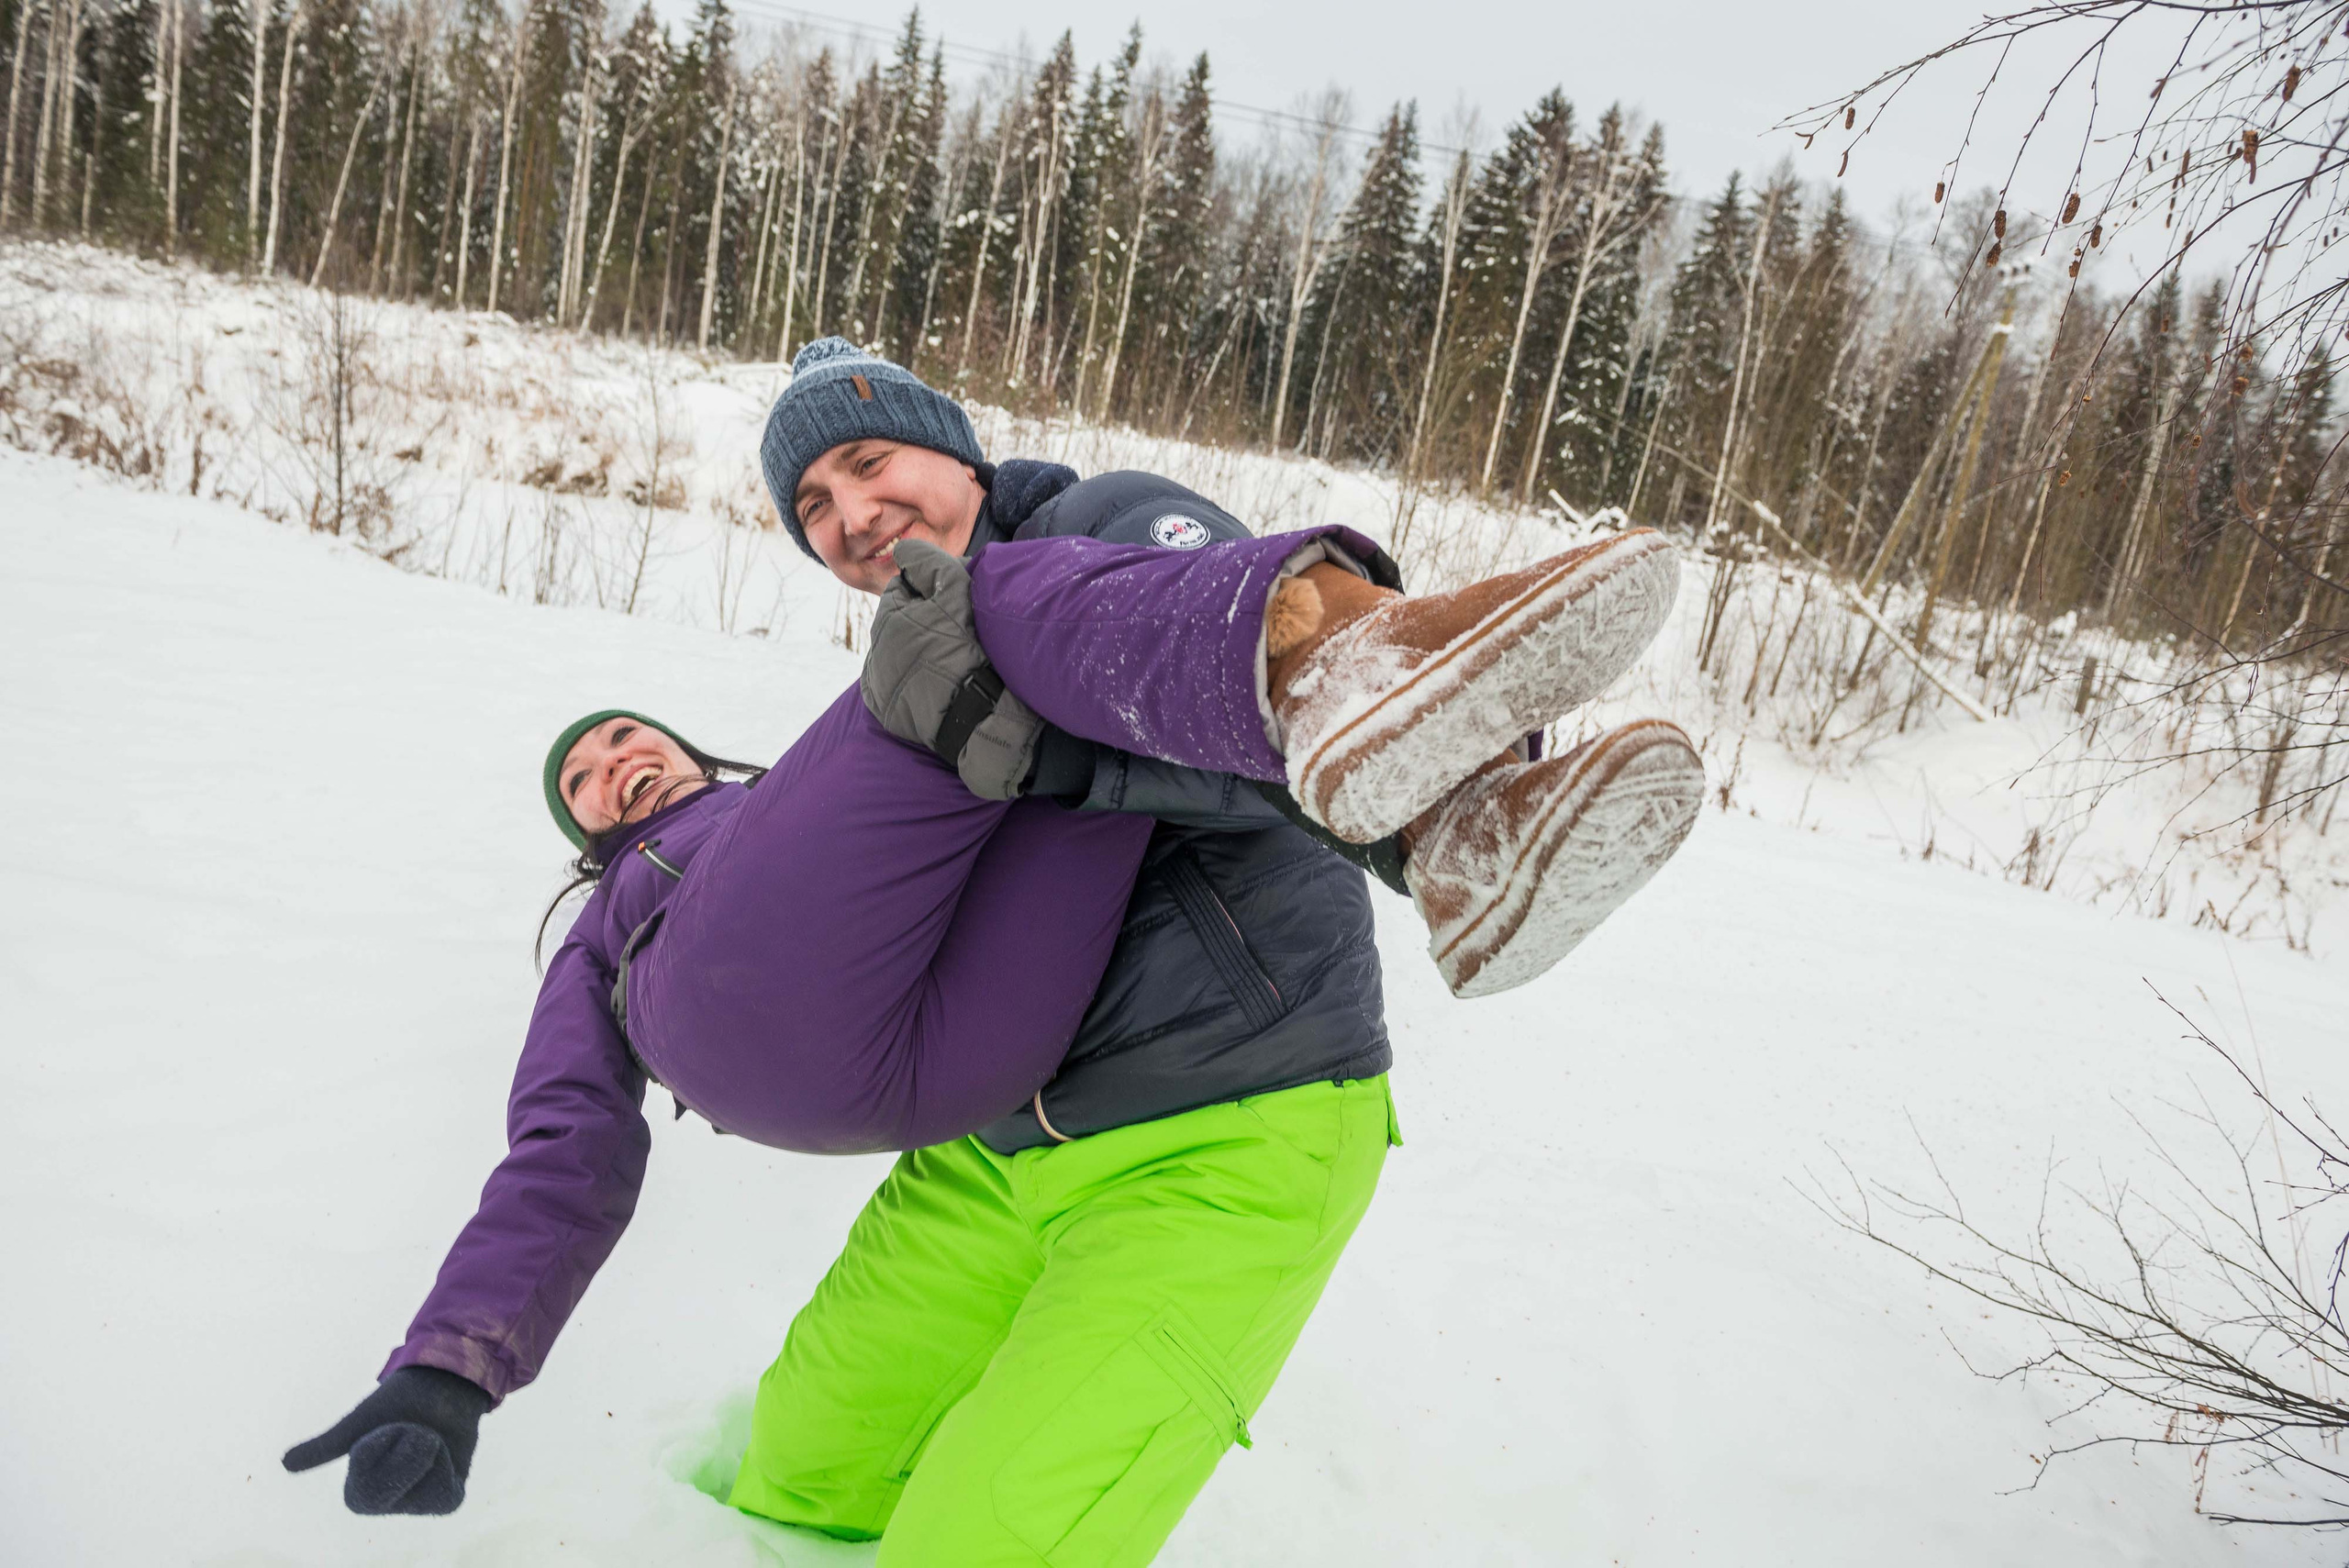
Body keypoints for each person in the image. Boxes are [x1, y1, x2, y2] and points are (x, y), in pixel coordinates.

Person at [284, 339, 1703, 1563]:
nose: (846, 516)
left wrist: (1059, 761)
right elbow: (563, 1145)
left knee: (989, 1541)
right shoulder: (670, 888)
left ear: (955, 444)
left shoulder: (1080, 546)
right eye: (583, 780)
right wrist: (449, 1365)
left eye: (866, 464)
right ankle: (1450, 814)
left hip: (1224, 1130)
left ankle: (1398, 728)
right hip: (981, 1147)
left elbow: (1100, 717)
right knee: (800, 1472)